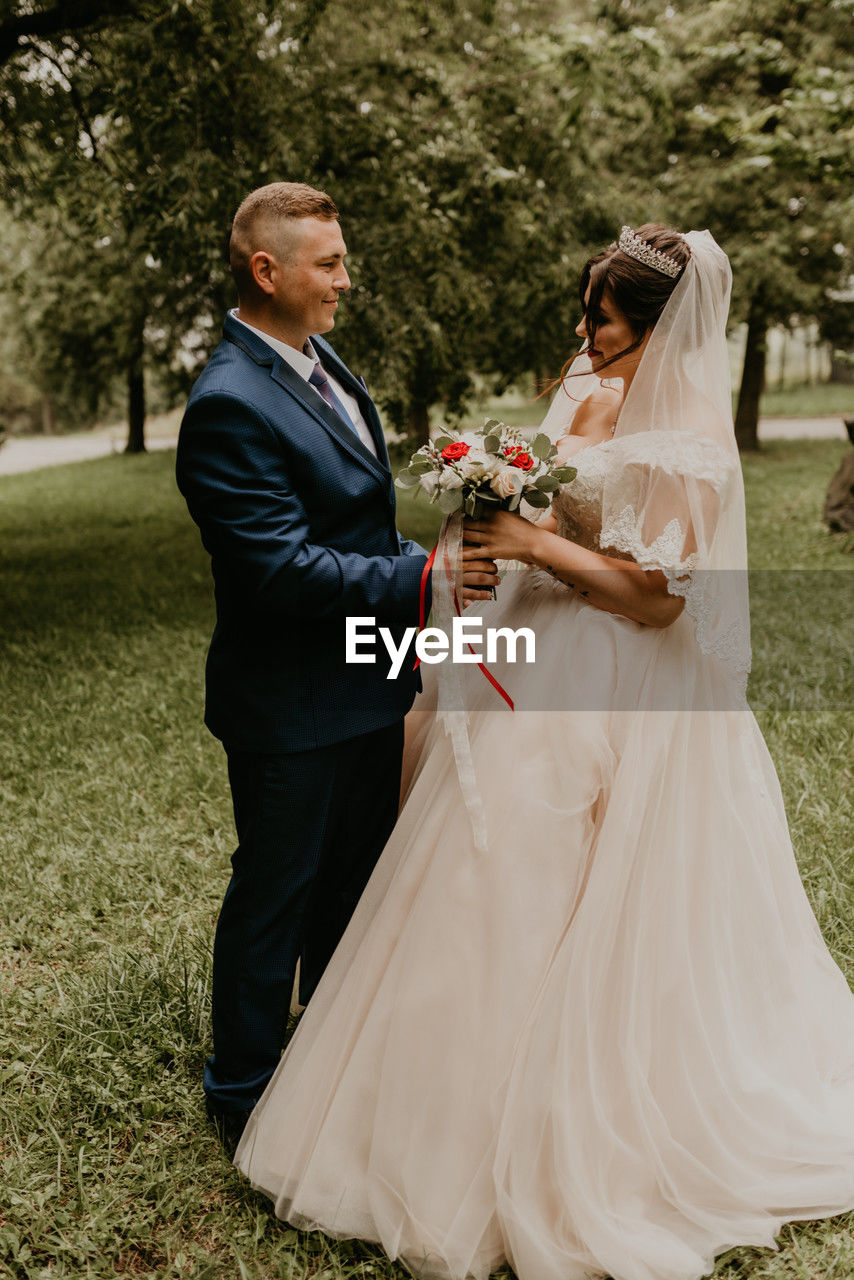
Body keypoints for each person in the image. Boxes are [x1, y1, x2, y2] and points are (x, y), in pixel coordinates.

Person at [233, 225, 854, 1280]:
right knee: (476, 868)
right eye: (584, 312)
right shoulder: (584, 382)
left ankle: (575, 1121)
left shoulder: (695, 433)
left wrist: (531, 542)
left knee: (565, 878)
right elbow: (545, 483)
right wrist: (492, 498)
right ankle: (429, 1105)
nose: (582, 332)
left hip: (621, 681)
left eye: (600, 318)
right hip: (534, 646)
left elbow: (658, 602)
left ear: (655, 331)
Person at [175, 181, 500, 1150]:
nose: (344, 281)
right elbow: (278, 568)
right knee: (277, 893)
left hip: (367, 678)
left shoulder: (317, 360)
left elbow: (349, 520)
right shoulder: (227, 402)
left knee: (354, 888)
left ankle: (331, 1066)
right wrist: (426, 577)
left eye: (342, 259)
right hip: (289, 700)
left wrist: (415, 565)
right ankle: (240, 1092)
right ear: (265, 269)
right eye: (327, 264)